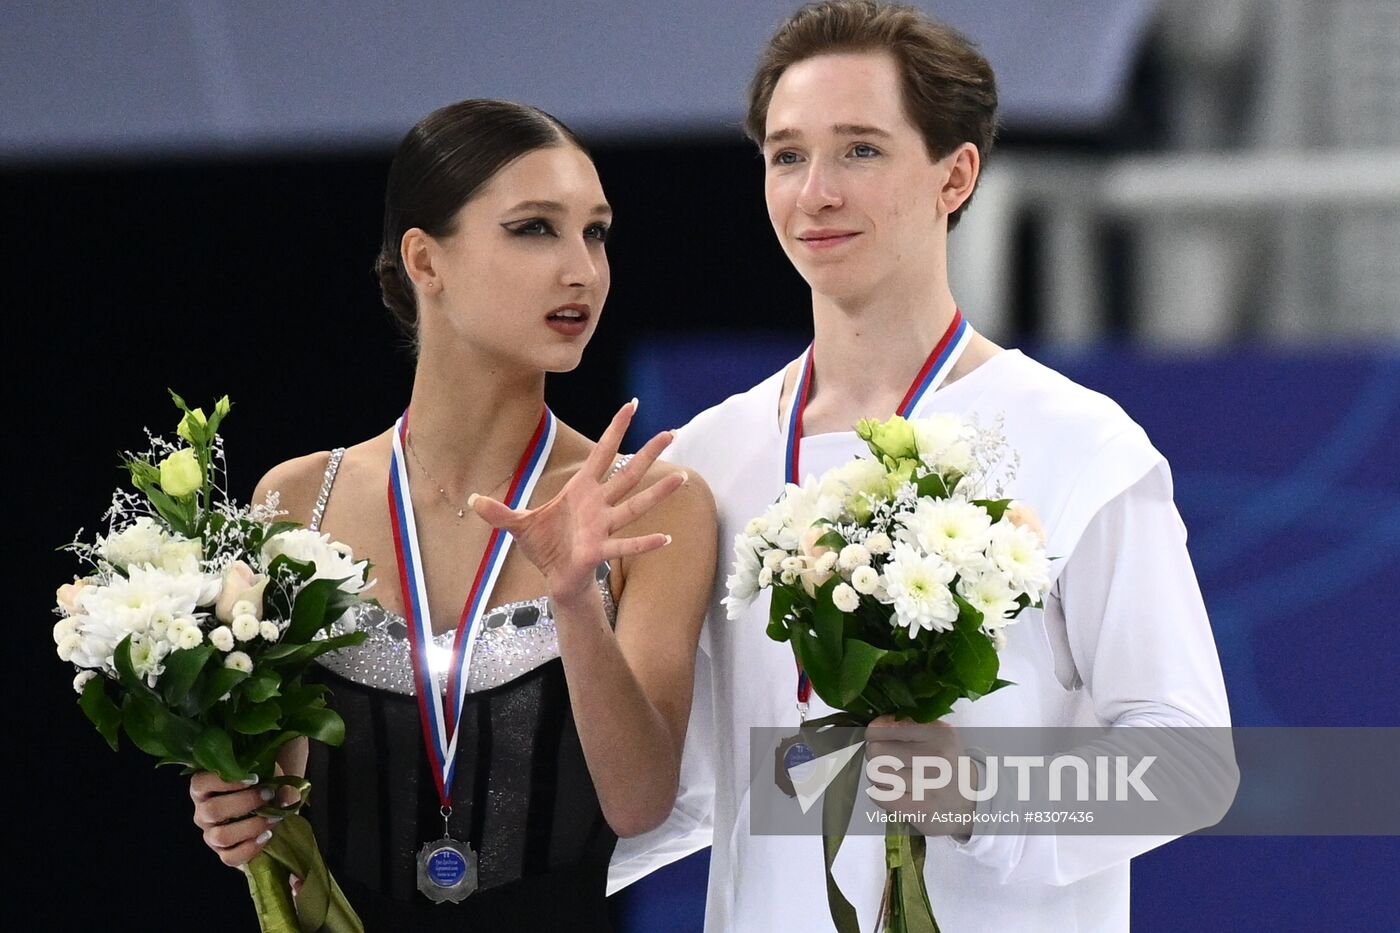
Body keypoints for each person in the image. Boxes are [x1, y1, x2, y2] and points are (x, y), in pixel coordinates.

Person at [611, 2, 1237, 930]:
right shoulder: (711, 454)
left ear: (957, 174)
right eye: (787, 156)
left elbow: (1190, 764)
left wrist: (984, 798)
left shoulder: (1078, 442)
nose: (815, 191)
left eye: (860, 149)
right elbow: (695, 787)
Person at [187, 98, 717, 931]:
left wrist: (576, 599)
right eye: (535, 228)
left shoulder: (651, 506)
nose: (581, 268)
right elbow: (282, 793)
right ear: (425, 261)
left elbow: (641, 800)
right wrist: (233, 799)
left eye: (597, 232)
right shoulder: (295, 500)